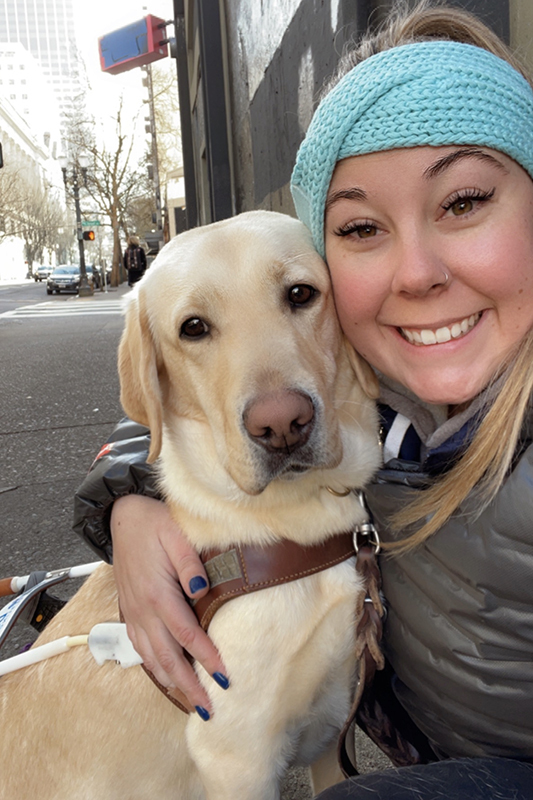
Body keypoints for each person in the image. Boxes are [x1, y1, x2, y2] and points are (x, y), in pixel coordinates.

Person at [73, 2, 533, 797]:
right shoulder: (371, 366)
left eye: (463, 201)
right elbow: (175, 401)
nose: (415, 273)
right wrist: (127, 499)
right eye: (360, 229)